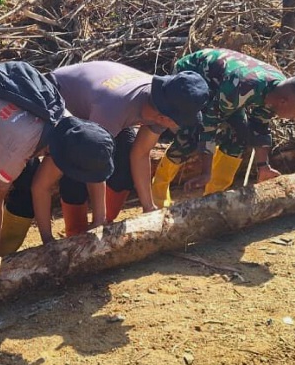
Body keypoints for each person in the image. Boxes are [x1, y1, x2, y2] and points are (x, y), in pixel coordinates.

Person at [0, 63, 115, 263]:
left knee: (26, 185)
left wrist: (48, 239)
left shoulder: (70, 128)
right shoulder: (18, 146)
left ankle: (8, 253)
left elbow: (41, 187)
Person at [49, 61, 210, 235]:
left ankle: (107, 223)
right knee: (78, 165)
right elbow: (93, 157)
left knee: (124, 163)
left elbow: (140, 153)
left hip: (100, 106)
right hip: (58, 97)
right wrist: (98, 219)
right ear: (165, 117)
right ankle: (77, 232)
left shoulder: (166, 102)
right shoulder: (114, 106)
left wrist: (149, 207)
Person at [152, 48, 295, 205]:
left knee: (239, 137)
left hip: (224, 88)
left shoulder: (277, 93)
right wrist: (205, 172)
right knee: (189, 136)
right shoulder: (244, 86)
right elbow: (209, 126)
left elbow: (259, 126)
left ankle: (212, 199)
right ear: (284, 102)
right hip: (192, 77)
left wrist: (263, 166)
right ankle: (157, 195)